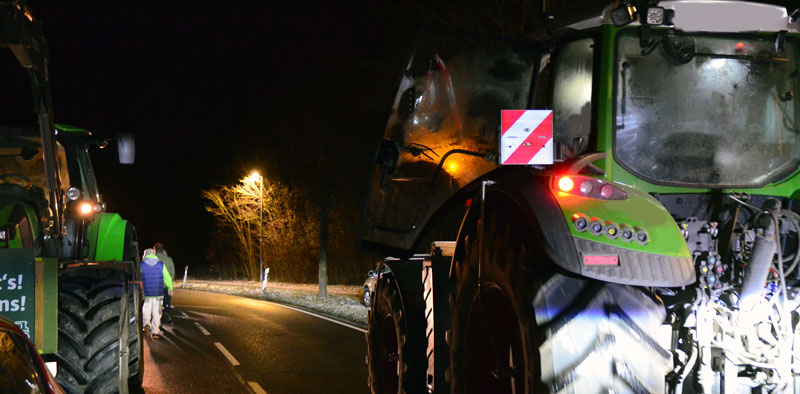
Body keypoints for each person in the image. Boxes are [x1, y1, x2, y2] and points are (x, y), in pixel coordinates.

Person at [141, 248, 173, 339]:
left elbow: (138, 277)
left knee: (146, 310)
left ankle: (146, 325)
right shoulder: (160, 265)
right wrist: (170, 288)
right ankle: (155, 332)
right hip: (158, 293)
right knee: (157, 312)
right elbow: (167, 277)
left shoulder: (142, 265)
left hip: (147, 293)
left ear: (145, 255)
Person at [154, 242, 176, 324]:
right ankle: (168, 317)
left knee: (157, 304)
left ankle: (157, 321)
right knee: (167, 302)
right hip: (166, 285)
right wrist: (170, 282)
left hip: (156, 285)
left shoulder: (154, 259)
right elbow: (172, 272)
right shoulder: (168, 259)